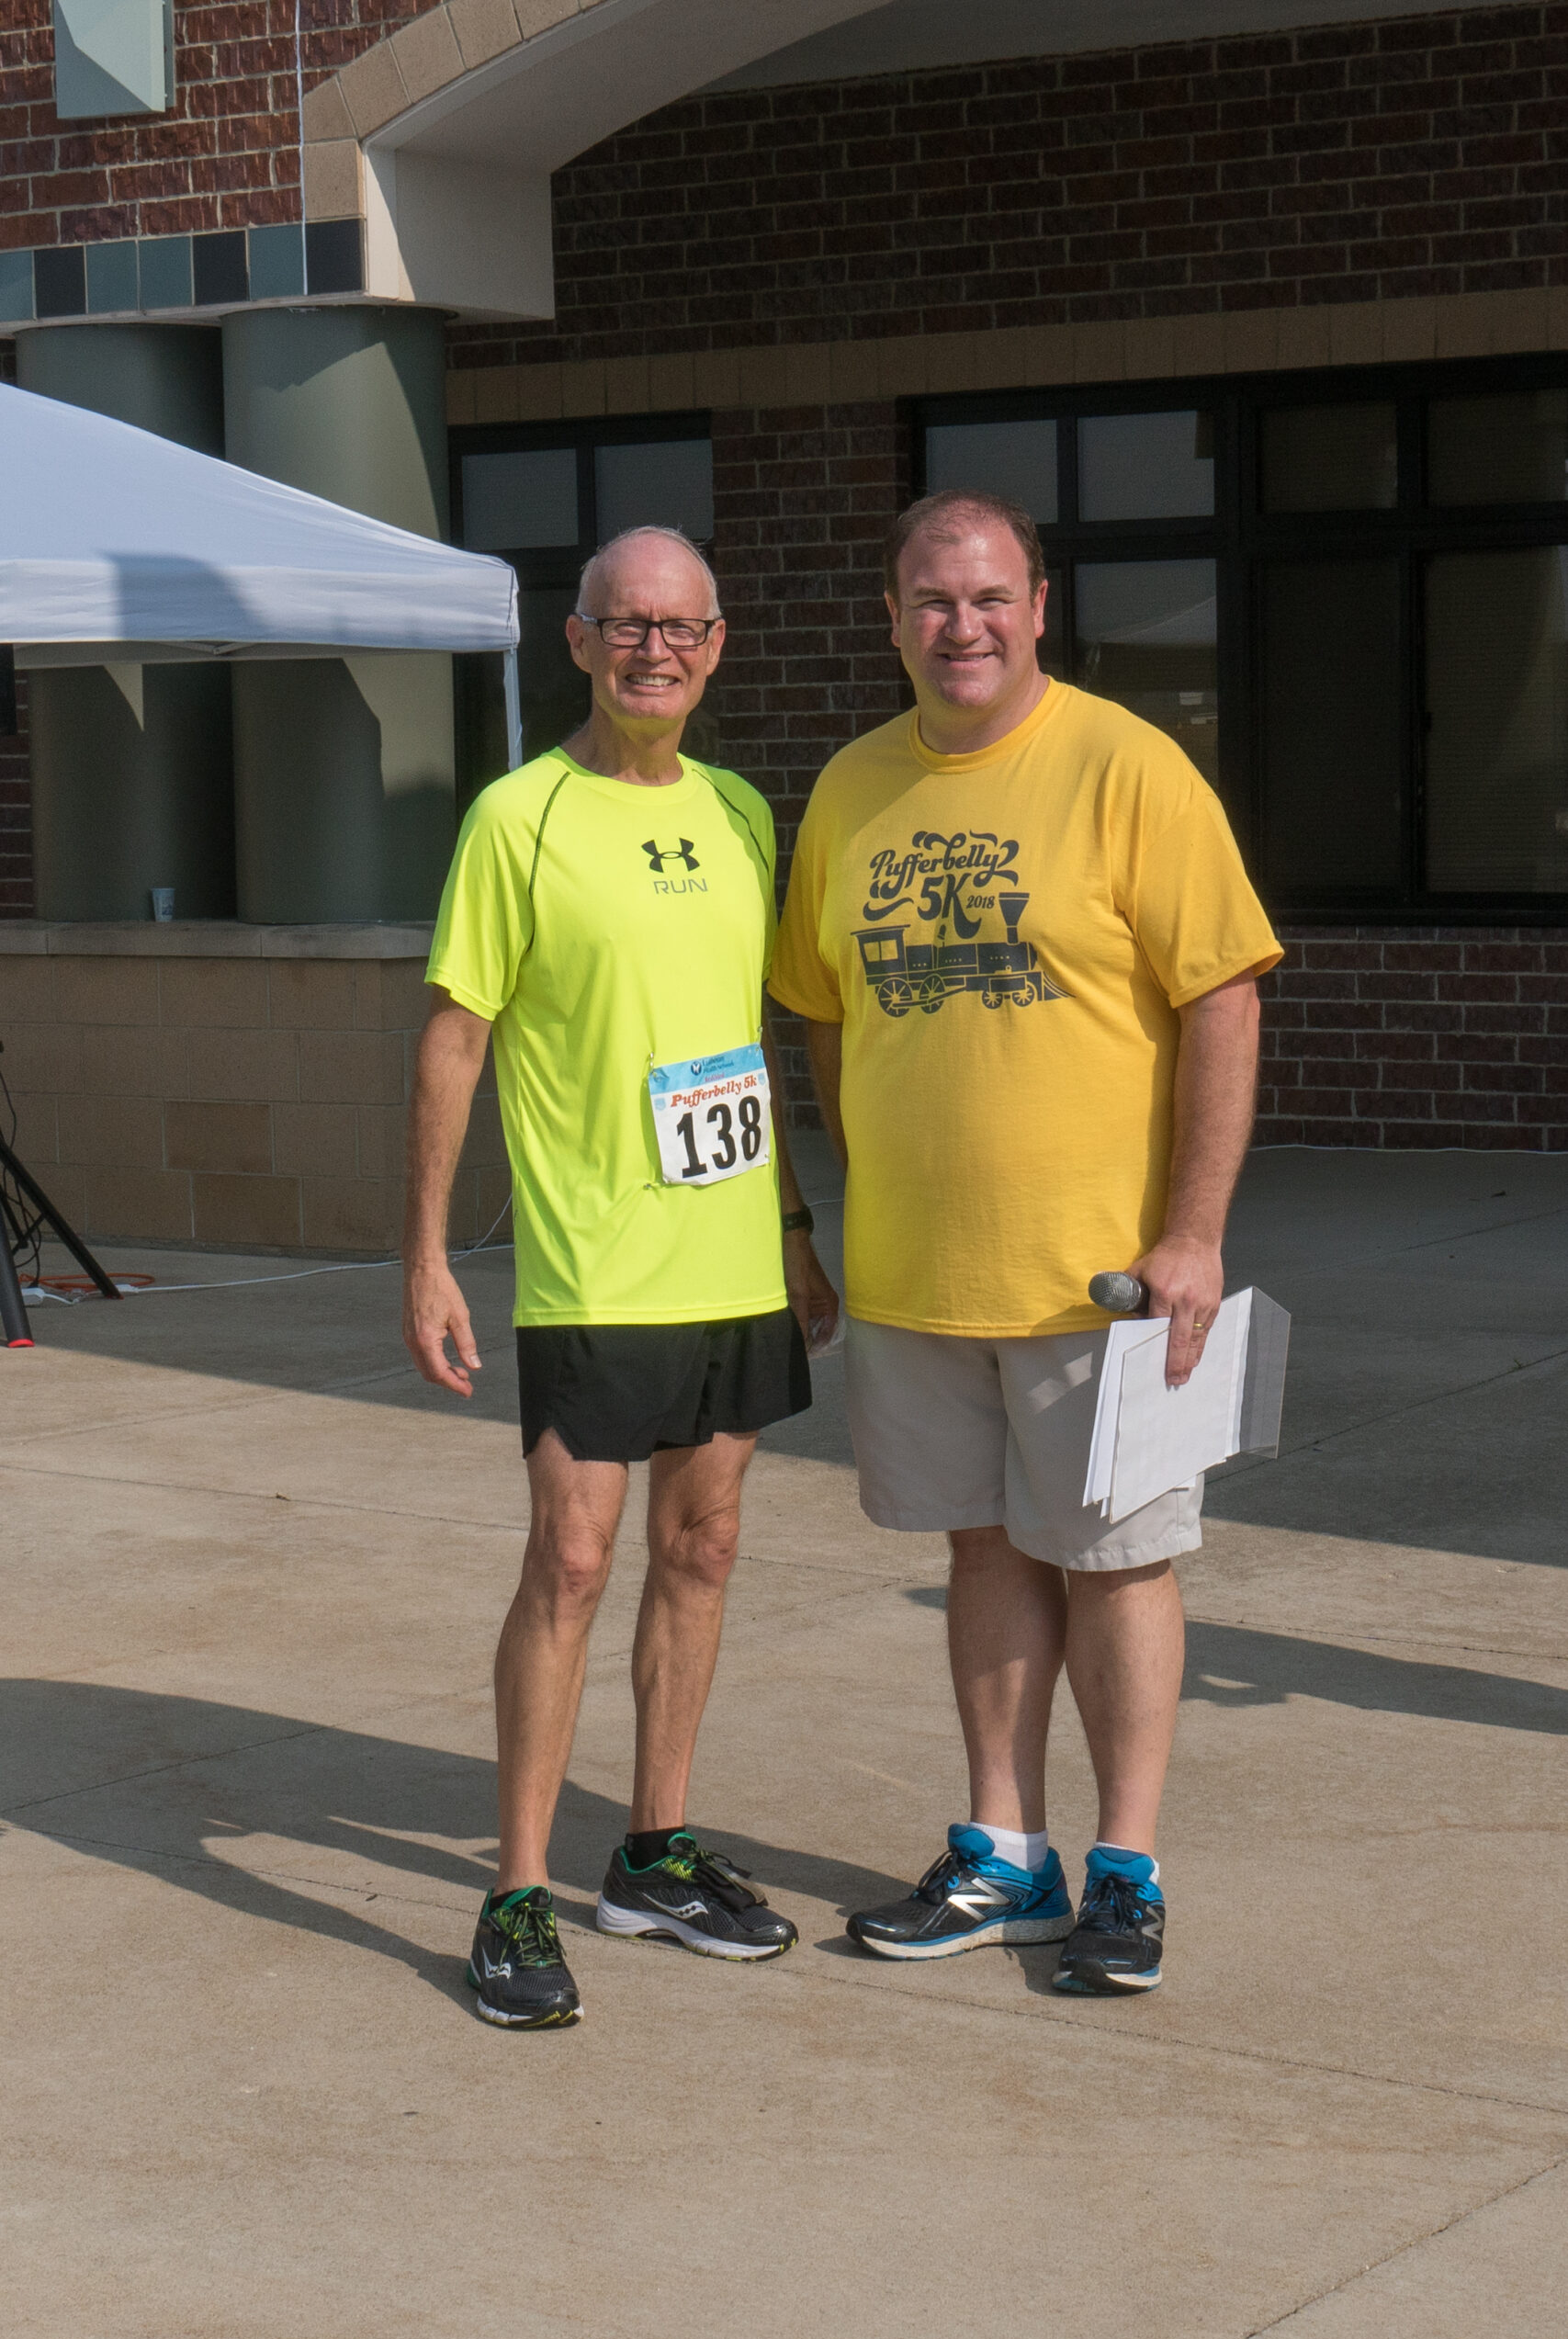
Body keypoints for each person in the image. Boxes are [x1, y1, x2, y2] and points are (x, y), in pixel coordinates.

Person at [769, 490, 1280, 1994]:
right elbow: (821, 1010)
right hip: (922, 1274)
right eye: (933, 600)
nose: (963, 625)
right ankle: (1007, 1852)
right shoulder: (852, 788)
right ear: (891, 617)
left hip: (1103, 1282)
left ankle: (1126, 1870)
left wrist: (1194, 1231)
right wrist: (859, 1188)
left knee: (1120, 1562)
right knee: (982, 1548)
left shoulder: (1128, 766)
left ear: (1041, 607)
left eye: (991, 597)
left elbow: (1225, 995)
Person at [403, 524, 838, 2029]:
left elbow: (745, 1041)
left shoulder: (741, 812)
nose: (657, 649)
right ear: (579, 641)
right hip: (590, 1268)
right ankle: (516, 1893)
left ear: (718, 649)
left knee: (703, 1548)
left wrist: (794, 1228)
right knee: (573, 1564)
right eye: (628, 624)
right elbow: (456, 1035)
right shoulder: (516, 817)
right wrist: (426, 1255)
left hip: (731, 1261)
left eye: (683, 626)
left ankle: (653, 1855)